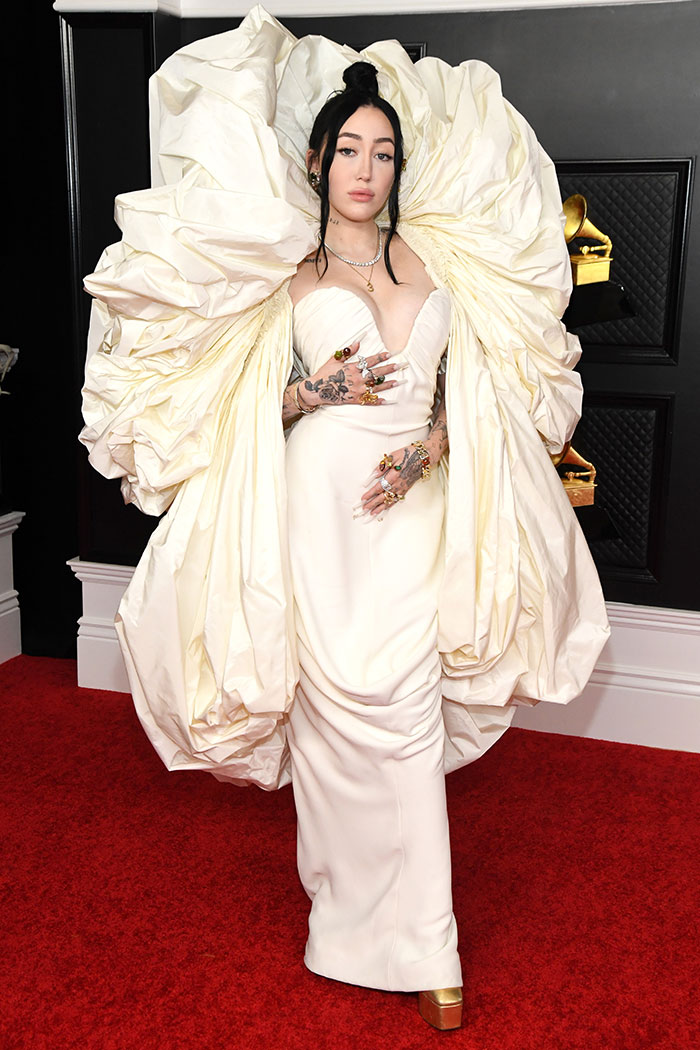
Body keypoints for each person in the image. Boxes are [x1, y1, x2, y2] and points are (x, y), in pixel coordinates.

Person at [80, 6, 610, 1032]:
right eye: (350, 150)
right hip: (315, 504)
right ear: (319, 162)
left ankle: (428, 944)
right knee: (332, 720)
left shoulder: (441, 263)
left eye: (384, 152)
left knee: (401, 710)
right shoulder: (286, 275)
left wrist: (431, 449)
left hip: (414, 496)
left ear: (399, 167)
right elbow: (237, 403)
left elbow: (479, 392)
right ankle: (346, 921)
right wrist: (307, 397)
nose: (366, 169)